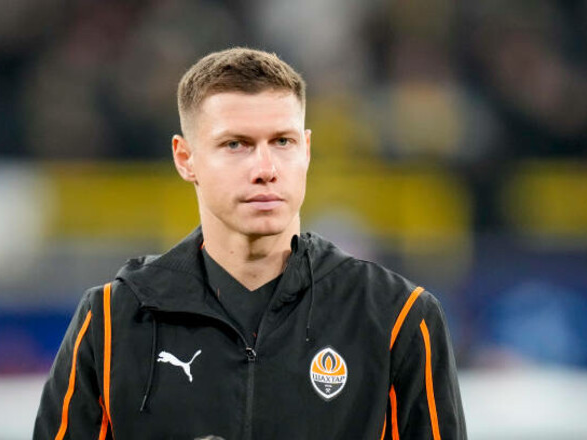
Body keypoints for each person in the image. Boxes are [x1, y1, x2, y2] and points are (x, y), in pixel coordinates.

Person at [34, 47, 467, 440]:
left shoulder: (397, 316)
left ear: (307, 150)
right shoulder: (113, 321)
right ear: (185, 158)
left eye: (282, 142)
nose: (265, 168)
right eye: (235, 144)